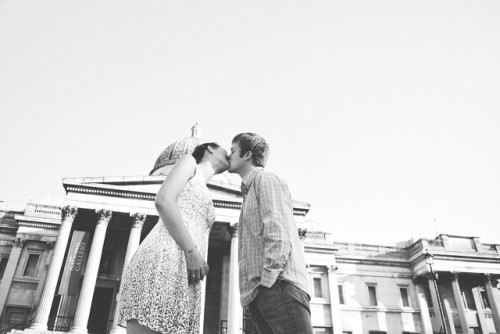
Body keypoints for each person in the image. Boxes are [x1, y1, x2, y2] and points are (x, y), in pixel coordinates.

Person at [118, 142, 229, 334]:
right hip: (164, 257)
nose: (228, 153)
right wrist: (192, 250)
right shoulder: (189, 162)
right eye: (225, 150)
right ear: (210, 149)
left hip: (186, 269)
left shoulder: (205, 189)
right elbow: (163, 200)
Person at [228, 133, 313, 334]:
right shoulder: (248, 190)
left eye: (232, 151)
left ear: (247, 154)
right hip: (263, 292)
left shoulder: (265, 179)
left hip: (278, 286)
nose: (228, 156)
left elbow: (278, 230)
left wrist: (267, 280)